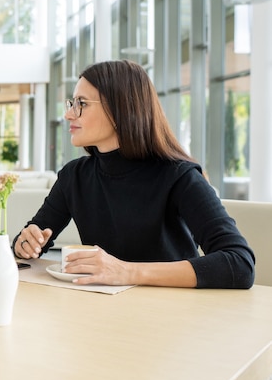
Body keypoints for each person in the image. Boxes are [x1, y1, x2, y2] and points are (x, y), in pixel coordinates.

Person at [13, 59, 255, 289]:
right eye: (71, 103)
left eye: (82, 104)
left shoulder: (180, 177)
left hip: (171, 317)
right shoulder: (73, 176)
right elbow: (30, 238)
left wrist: (127, 272)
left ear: (120, 110)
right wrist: (26, 243)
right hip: (100, 310)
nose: (69, 114)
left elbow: (239, 264)